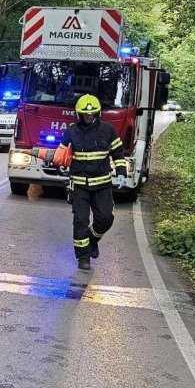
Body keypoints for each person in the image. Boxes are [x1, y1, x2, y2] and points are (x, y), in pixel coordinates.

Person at [59, 94, 127, 271]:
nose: (88, 116)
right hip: (80, 185)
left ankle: (93, 239)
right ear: (79, 114)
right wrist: (59, 161)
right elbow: (61, 154)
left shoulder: (108, 130)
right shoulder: (71, 131)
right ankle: (83, 257)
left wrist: (121, 172)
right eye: (85, 114)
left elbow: (118, 153)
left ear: (97, 113)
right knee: (80, 221)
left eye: (91, 114)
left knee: (106, 218)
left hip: (102, 185)